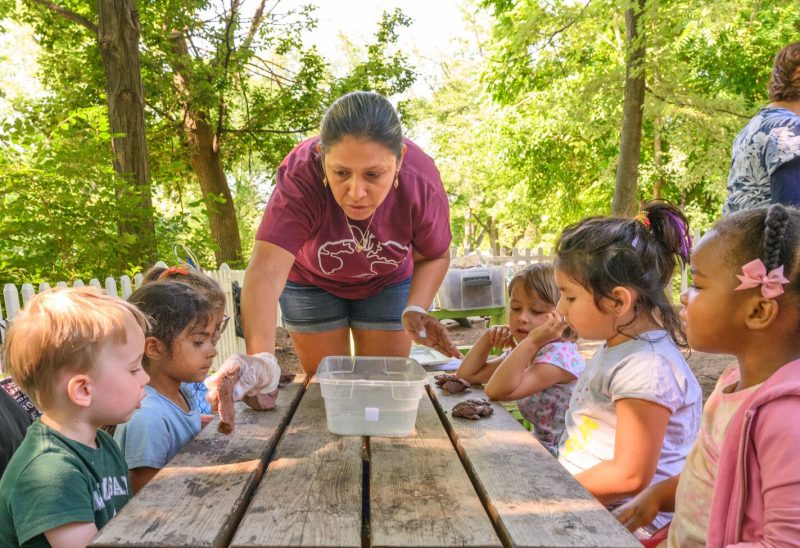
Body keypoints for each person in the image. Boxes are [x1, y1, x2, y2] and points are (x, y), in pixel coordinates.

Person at [578, 204, 800, 548]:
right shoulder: (735, 383)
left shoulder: (787, 419)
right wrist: (663, 495)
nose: (683, 294)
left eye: (698, 284)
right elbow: (723, 474)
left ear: (759, 309)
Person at [242, 90, 459, 375]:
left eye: (373, 175)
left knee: (384, 384)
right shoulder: (301, 177)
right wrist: (261, 363)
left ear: (399, 160)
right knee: (328, 382)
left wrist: (416, 308)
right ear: (321, 157)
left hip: (388, 282)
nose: (356, 193)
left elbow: (434, 255)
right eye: (341, 173)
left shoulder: (421, 182)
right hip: (310, 282)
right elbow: (265, 271)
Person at [0, 287, 168, 548]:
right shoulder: (49, 472)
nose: (145, 378)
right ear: (82, 391)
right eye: (133, 368)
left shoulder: (102, 443)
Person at [553, 201, 702, 532]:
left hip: (627, 528)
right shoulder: (621, 348)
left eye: (570, 297)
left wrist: (546, 496)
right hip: (587, 503)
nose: (560, 308)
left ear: (618, 301)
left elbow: (629, 475)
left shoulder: (646, 367)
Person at [456, 263, 585, 453]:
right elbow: (467, 375)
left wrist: (530, 342)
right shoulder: (528, 352)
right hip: (538, 446)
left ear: (563, 314)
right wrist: (488, 338)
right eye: (515, 308)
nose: (523, 318)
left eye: (538, 311)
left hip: (564, 456)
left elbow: (496, 391)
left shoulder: (559, 358)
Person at [114, 281, 218, 494]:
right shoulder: (148, 417)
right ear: (154, 348)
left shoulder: (181, 392)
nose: (212, 352)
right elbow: (148, 497)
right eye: (199, 342)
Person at [142, 265, 229, 418]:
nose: (215, 337)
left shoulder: (183, 389)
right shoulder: (150, 414)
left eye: (218, 327)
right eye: (199, 340)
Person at [724, 41, 800, 214]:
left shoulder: (750, 128)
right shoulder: (792, 130)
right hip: (769, 239)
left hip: (736, 237)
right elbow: (791, 217)